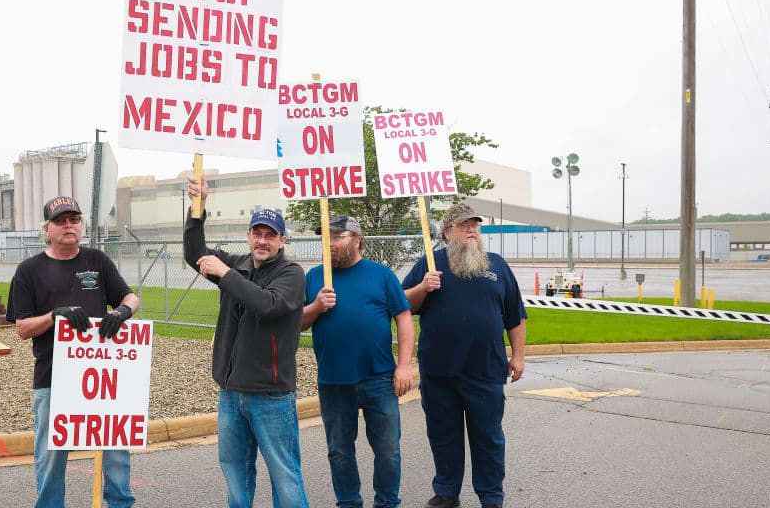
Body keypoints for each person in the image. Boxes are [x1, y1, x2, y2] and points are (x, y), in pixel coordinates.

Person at [183, 175, 310, 508]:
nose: (262, 241)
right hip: (230, 393)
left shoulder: (292, 273)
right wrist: (198, 210)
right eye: (257, 233)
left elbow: (267, 304)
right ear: (249, 235)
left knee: (284, 473)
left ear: (282, 239)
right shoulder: (237, 264)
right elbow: (194, 252)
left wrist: (225, 275)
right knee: (236, 472)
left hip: (271, 395)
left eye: (270, 235)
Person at [7, 196, 141, 508]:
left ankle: (119, 504)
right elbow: (23, 328)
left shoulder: (98, 261)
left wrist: (122, 312)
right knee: (52, 455)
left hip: (104, 377)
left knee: (116, 448)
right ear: (47, 229)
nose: (69, 225)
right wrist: (54, 316)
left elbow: (131, 297)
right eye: (60, 220)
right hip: (52, 378)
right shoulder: (29, 271)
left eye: (74, 219)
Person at [401, 203, 527, 508]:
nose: (471, 230)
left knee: (488, 436)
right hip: (440, 371)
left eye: (475, 225)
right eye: (463, 225)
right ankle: (446, 491)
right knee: (444, 435)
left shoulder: (496, 266)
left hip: (485, 369)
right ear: (447, 233)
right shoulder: (430, 264)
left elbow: (516, 316)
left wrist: (519, 356)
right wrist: (423, 287)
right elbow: (403, 305)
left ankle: (491, 496)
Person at [301, 216, 415, 508]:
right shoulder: (315, 277)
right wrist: (316, 306)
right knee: (339, 451)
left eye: (337, 236)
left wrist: (404, 365)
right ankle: (349, 502)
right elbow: (298, 323)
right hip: (334, 380)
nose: (330, 243)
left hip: (379, 378)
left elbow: (403, 318)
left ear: (357, 240)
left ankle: (387, 503)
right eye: (326, 237)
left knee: (388, 450)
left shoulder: (381, 275)